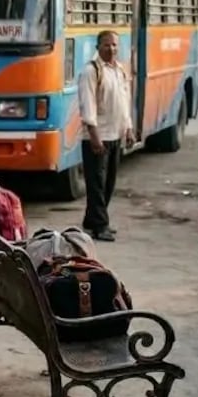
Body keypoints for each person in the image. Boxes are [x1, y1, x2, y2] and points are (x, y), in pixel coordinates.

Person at [78, 30, 134, 242]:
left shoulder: (118, 70)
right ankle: (101, 225)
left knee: (108, 183)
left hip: (115, 134)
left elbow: (124, 102)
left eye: (114, 45)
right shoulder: (91, 71)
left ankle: (92, 221)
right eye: (107, 45)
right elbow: (87, 105)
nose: (111, 49)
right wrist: (94, 136)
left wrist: (128, 128)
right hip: (97, 136)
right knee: (97, 184)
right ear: (97, 47)